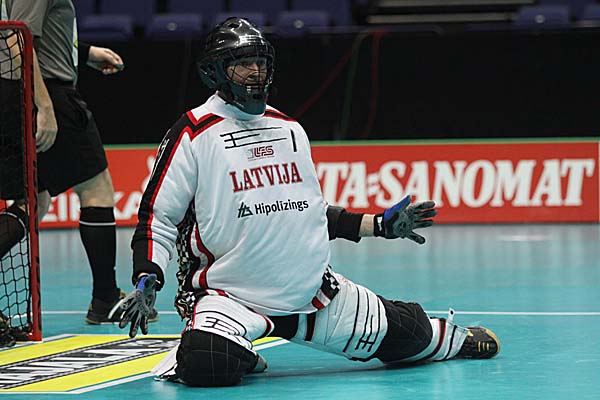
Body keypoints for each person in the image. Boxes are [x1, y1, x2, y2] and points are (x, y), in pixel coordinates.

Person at [118, 17, 500, 387]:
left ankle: (454, 337)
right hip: (229, 298)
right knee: (207, 363)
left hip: (314, 296)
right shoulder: (192, 133)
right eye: (243, 64)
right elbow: (157, 218)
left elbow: (310, 214)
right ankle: (239, 352)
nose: (255, 73)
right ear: (214, 72)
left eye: (260, 63)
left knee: (413, 337)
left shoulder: (289, 129)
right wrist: (147, 278)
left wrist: (380, 225)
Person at [0, 0, 157, 324]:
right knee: (96, 189)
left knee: (34, 202)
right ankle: (106, 299)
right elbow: (18, 40)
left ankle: (105, 298)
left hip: (23, 92)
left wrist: (84, 52)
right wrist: (44, 107)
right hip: (46, 95)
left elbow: (30, 31)